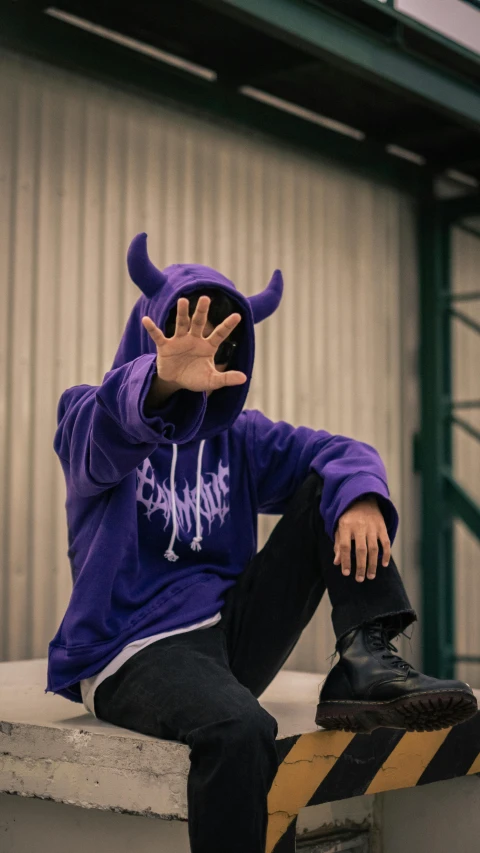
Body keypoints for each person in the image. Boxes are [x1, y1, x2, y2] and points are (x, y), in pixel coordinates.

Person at [47, 232, 477, 853]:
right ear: (149, 336)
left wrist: (359, 495)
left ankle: (364, 656)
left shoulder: (241, 437)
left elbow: (341, 449)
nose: (203, 350)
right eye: (185, 331)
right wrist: (161, 384)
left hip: (230, 638)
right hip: (133, 647)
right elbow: (109, 433)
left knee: (330, 484)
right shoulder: (88, 413)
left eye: (222, 340)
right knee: (241, 729)